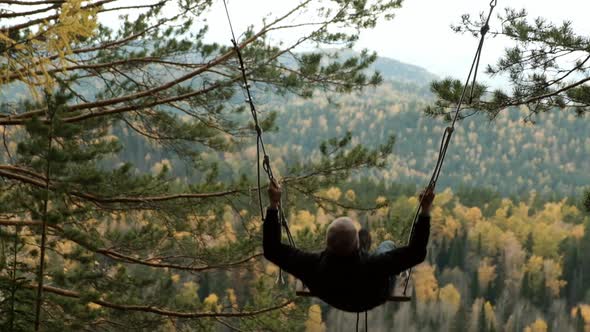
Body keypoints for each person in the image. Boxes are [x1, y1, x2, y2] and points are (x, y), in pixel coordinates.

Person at [263, 181, 434, 312]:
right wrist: (425, 210)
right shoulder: (376, 265)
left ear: (327, 243)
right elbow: (416, 253)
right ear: (357, 246)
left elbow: (272, 249)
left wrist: (273, 205)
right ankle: (367, 243)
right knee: (387, 245)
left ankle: (361, 240)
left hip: (333, 295)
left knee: (367, 240)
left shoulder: (311, 266)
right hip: (373, 295)